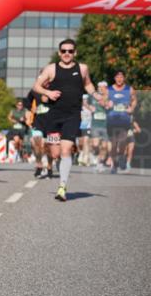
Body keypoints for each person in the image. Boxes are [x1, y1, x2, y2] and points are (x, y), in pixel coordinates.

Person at [30, 38, 102, 201]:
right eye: (64, 51)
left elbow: (88, 84)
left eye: (70, 51)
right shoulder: (51, 69)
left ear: (75, 53)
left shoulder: (82, 68)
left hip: (73, 115)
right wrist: (48, 93)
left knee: (65, 150)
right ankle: (60, 167)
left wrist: (96, 95)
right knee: (55, 153)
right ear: (59, 53)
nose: (67, 54)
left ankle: (62, 187)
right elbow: (36, 86)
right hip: (54, 116)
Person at [105, 70, 136, 174]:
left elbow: (134, 100)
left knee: (122, 142)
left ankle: (121, 156)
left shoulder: (129, 89)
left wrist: (131, 108)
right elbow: (103, 101)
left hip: (124, 119)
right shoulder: (109, 90)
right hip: (112, 119)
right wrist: (107, 104)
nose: (119, 79)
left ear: (124, 78)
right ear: (114, 78)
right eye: (117, 77)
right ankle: (114, 165)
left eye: (121, 77)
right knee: (113, 144)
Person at [27, 89, 51, 178]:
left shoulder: (55, 87)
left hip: (51, 122)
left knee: (47, 147)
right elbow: (27, 101)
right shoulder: (35, 91)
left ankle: (49, 166)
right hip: (38, 122)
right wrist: (30, 108)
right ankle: (39, 165)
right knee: (36, 143)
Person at [89, 81, 110, 171]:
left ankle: (100, 162)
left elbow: (111, 107)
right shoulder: (93, 96)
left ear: (106, 88)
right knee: (95, 144)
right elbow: (85, 103)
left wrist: (106, 105)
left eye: (102, 87)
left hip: (105, 124)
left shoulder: (109, 97)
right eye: (99, 87)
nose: (100, 88)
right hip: (95, 124)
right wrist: (90, 107)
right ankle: (94, 155)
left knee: (105, 146)